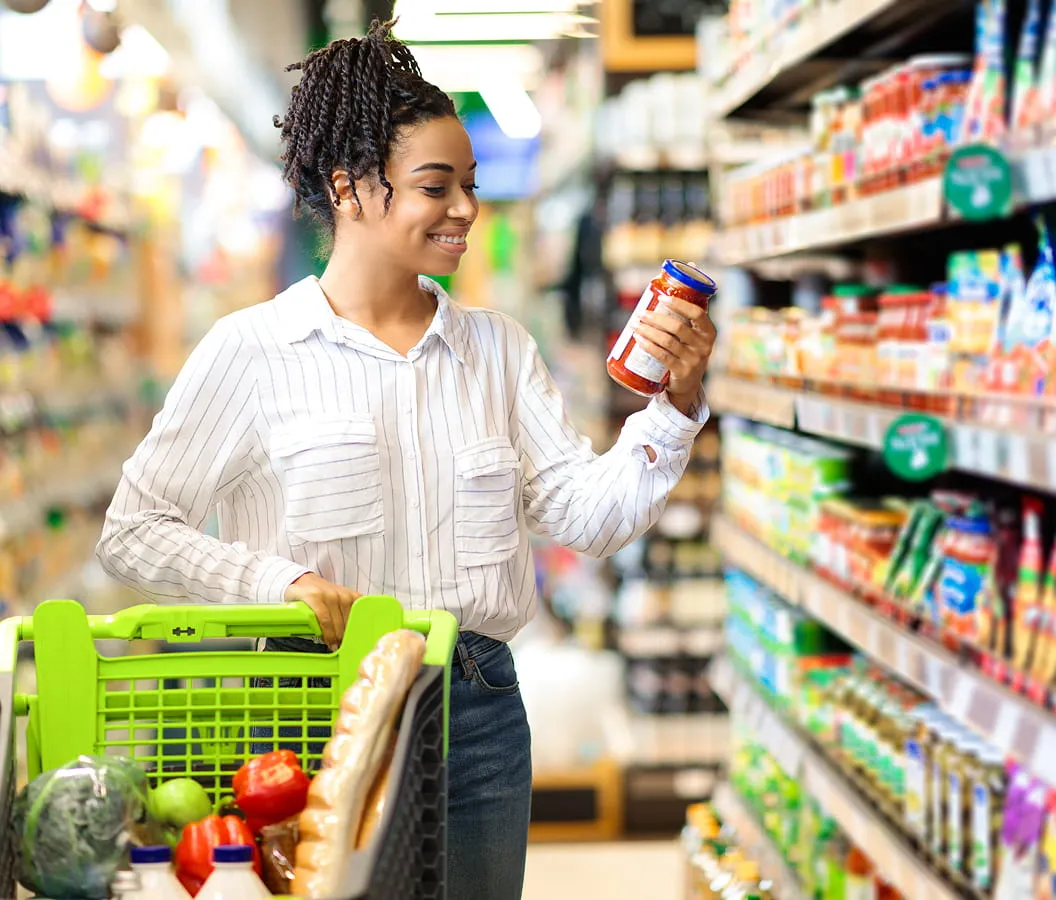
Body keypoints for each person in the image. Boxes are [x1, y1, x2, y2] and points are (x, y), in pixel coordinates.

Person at [96, 20, 716, 900]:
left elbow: (587, 517)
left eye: (468, 184)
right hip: (306, 707)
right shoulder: (253, 350)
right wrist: (280, 586)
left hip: (476, 712)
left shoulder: (497, 350)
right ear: (350, 188)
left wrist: (675, 407)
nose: (465, 208)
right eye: (436, 186)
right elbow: (134, 532)